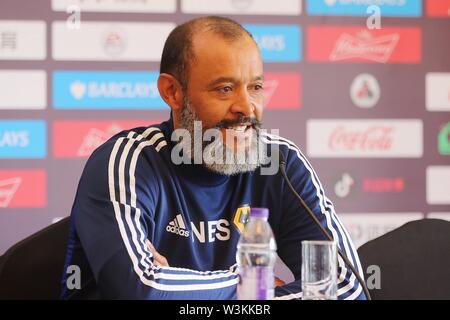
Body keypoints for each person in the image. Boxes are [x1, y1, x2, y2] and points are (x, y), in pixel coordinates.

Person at [60, 16, 366, 300]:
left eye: (256, 88)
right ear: (172, 92)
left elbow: (344, 286)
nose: (247, 108)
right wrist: (253, 284)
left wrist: (191, 290)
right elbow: (141, 290)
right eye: (225, 88)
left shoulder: (281, 162)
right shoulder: (127, 161)